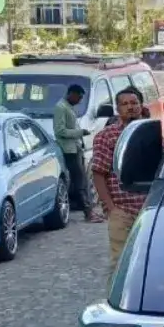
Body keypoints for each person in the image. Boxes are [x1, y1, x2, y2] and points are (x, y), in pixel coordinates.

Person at [90, 86, 147, 283]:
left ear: (141, 105)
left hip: (148, 209)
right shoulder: (106, 137)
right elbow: (98, 173)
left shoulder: (153, 133)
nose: (130, 107)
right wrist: (110, 208)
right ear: (117, 109)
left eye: (134, 103)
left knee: (148, 262)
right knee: (121, 264)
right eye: (125, 104)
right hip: (122, 210)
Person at [52, 84, 103, 223]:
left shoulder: (69, 107)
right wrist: (80, 132)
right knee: (79, 182)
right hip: (69, 150)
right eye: (79, 97)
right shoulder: (60, 108)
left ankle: (90, 210)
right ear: (71, 94)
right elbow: (60, 131)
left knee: (83, 181)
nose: (80, 101)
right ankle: (88, 213)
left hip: (76, 148)